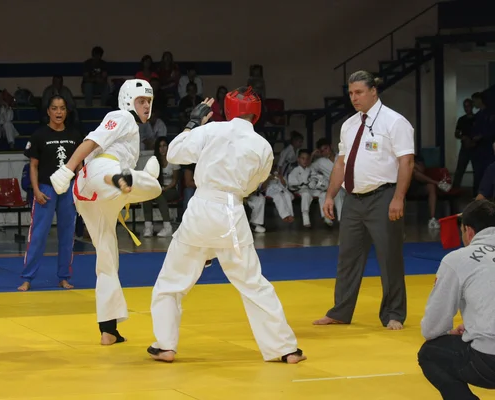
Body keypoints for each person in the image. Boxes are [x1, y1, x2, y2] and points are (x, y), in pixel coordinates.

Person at [146, 86, 305, 364]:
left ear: (227, 109)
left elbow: (173, 154)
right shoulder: (263, 146)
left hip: (201, 209)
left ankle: (165, 345)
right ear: (255, 114)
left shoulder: (212, 130)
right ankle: (285, 349)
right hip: (232, 211)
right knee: (253, 283)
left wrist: (193, 124)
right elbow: (256, 182)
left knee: (171, 283)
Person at [49, 79, 162, 345]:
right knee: (154, 185)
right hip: (99, 174)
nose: (146, 106)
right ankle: (127, 179)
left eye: (148, 101)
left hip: (94, 197)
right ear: (127, 100)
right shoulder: (121, 116)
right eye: (141, 101)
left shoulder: (132, 130)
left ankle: (108, 329)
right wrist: (67, 168)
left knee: (107, 257)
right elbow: (92, 140)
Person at [313, 70, 415, 330]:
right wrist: (330, 194)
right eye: (350, 93)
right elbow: (341, 162)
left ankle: (393, 313)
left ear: (373, 91)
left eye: (359, 92)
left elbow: (407, 161)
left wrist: (399, 198)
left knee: (389, 256)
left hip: (383, 196)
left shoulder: (395, 122)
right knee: (347, 257)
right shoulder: (349, 125)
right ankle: (340, 311)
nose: (354, 98)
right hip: (353, 200)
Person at [418, 199, 495, 399]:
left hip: (488, 361)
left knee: (430, 354)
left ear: (468, 231)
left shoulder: (459, 259)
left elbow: (431, 328)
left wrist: (459, 331)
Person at [19, 95, 83, 292]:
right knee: (38, 235)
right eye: (54, 108)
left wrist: (79, 189)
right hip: (46, 189)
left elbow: (80, 165)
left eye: (62, 108)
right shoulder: (39, 135)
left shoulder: (75, 135)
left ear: (66, 111)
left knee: (67, 235)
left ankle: (64, 277)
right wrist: (36, 190)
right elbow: (33, 165)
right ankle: (27, 278)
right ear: (48, 111)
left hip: (68, 189)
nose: (58, 112)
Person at [142, 136, 180, 237]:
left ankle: (168, 227)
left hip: (171, 189)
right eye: (160, 146)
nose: (162, 149)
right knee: (146, 196)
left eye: (164, 146)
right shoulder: (154, 161)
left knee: (159, 196)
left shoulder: (173, 160)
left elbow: (175, 181)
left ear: (168, 147)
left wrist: (164, 189)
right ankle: (148, 226)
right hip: (158, 188)